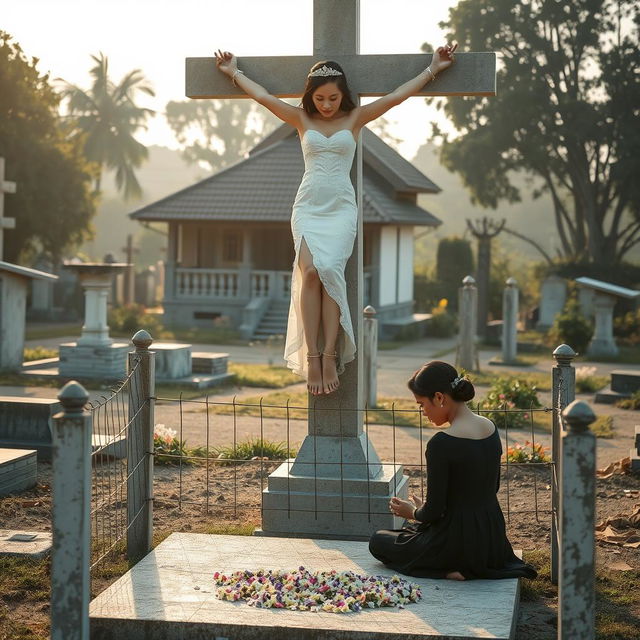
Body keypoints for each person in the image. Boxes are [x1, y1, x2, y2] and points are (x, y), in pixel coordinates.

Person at [214, 44, 457, 395]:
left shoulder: (354, 120)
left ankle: (330, 355)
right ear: (310, 97)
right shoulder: (301, 119)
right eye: (320, 99)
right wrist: (233, 72)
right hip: (308, 206)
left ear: (342, 96)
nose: (326, 106)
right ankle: (313, 356)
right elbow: (265, 97)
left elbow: (397, 96)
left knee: (330, 273)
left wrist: (434, 68)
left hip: (341, 208)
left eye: (332, 99)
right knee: (311, 272)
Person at [369, 361, 538, 580]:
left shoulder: (441, 443)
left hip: (454, 540)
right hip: (490, 537)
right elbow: (490, 487)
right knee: (410, 534)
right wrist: (429, 509)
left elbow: (433, 512)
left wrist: (412, 512)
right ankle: (461, 565)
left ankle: (451, 569)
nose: (423, 412)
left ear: (439, 397)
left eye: (422, 404)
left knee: (379, 540)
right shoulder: (489, 427)